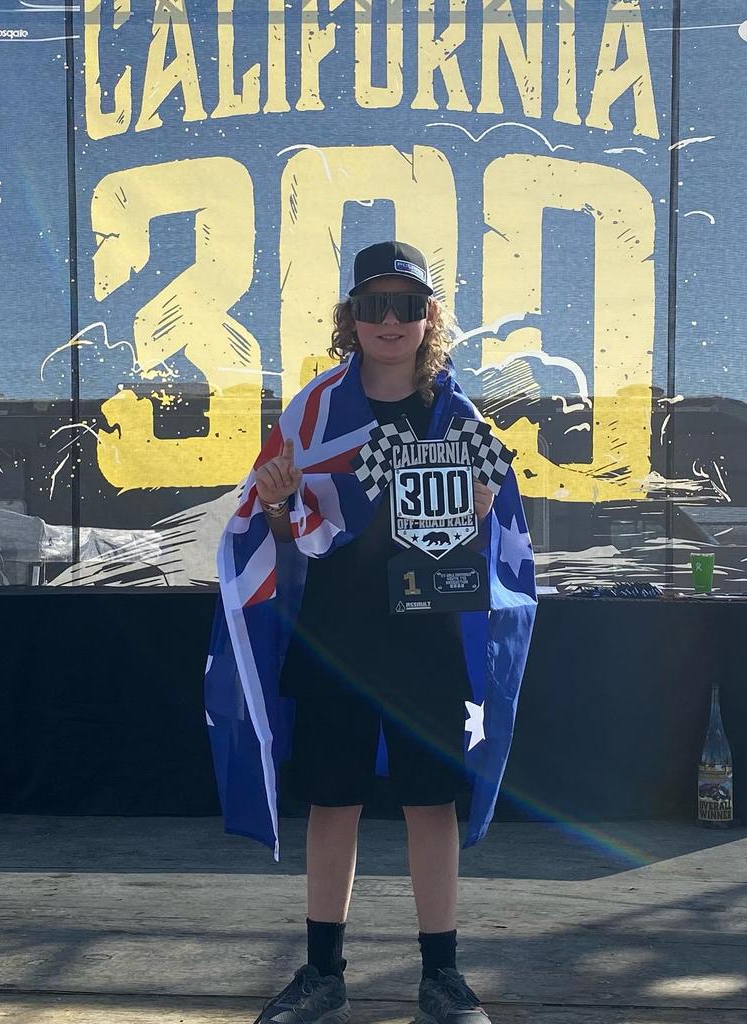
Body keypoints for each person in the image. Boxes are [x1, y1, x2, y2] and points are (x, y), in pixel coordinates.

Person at [205, 240, 537, 1024]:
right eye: (373, 305)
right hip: (339, 635)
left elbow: (496, 536)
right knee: (334, 802)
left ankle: (443, 977)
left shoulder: (460, 416)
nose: (390, 321)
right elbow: (279, 529)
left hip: (427, 636)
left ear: (430, 320)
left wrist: (482, 512)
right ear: (349, 319)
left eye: (407, 305)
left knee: (431, 806)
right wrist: (283, 505)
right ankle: (323, 974)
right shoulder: (311, 410)